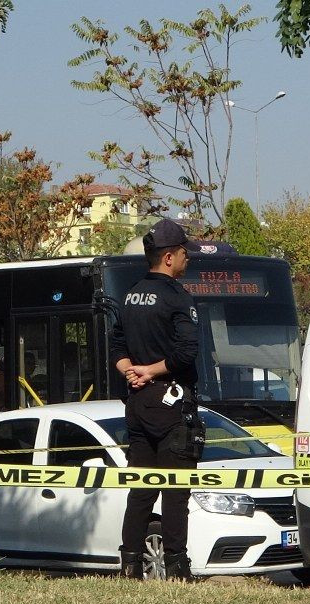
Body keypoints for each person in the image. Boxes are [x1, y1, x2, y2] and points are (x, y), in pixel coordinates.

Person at [109, 218, 203, 581]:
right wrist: (151, 370)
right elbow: (186, 353)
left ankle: (130, 565)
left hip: (137, 403)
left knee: (141, 490)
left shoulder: (130, 294)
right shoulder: (177, 296)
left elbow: (116, 345)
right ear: (168, 257)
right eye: (184, 253)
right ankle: (178, 568)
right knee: (176, 491)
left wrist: (130, 371)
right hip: (171, 402)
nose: (187, 259)